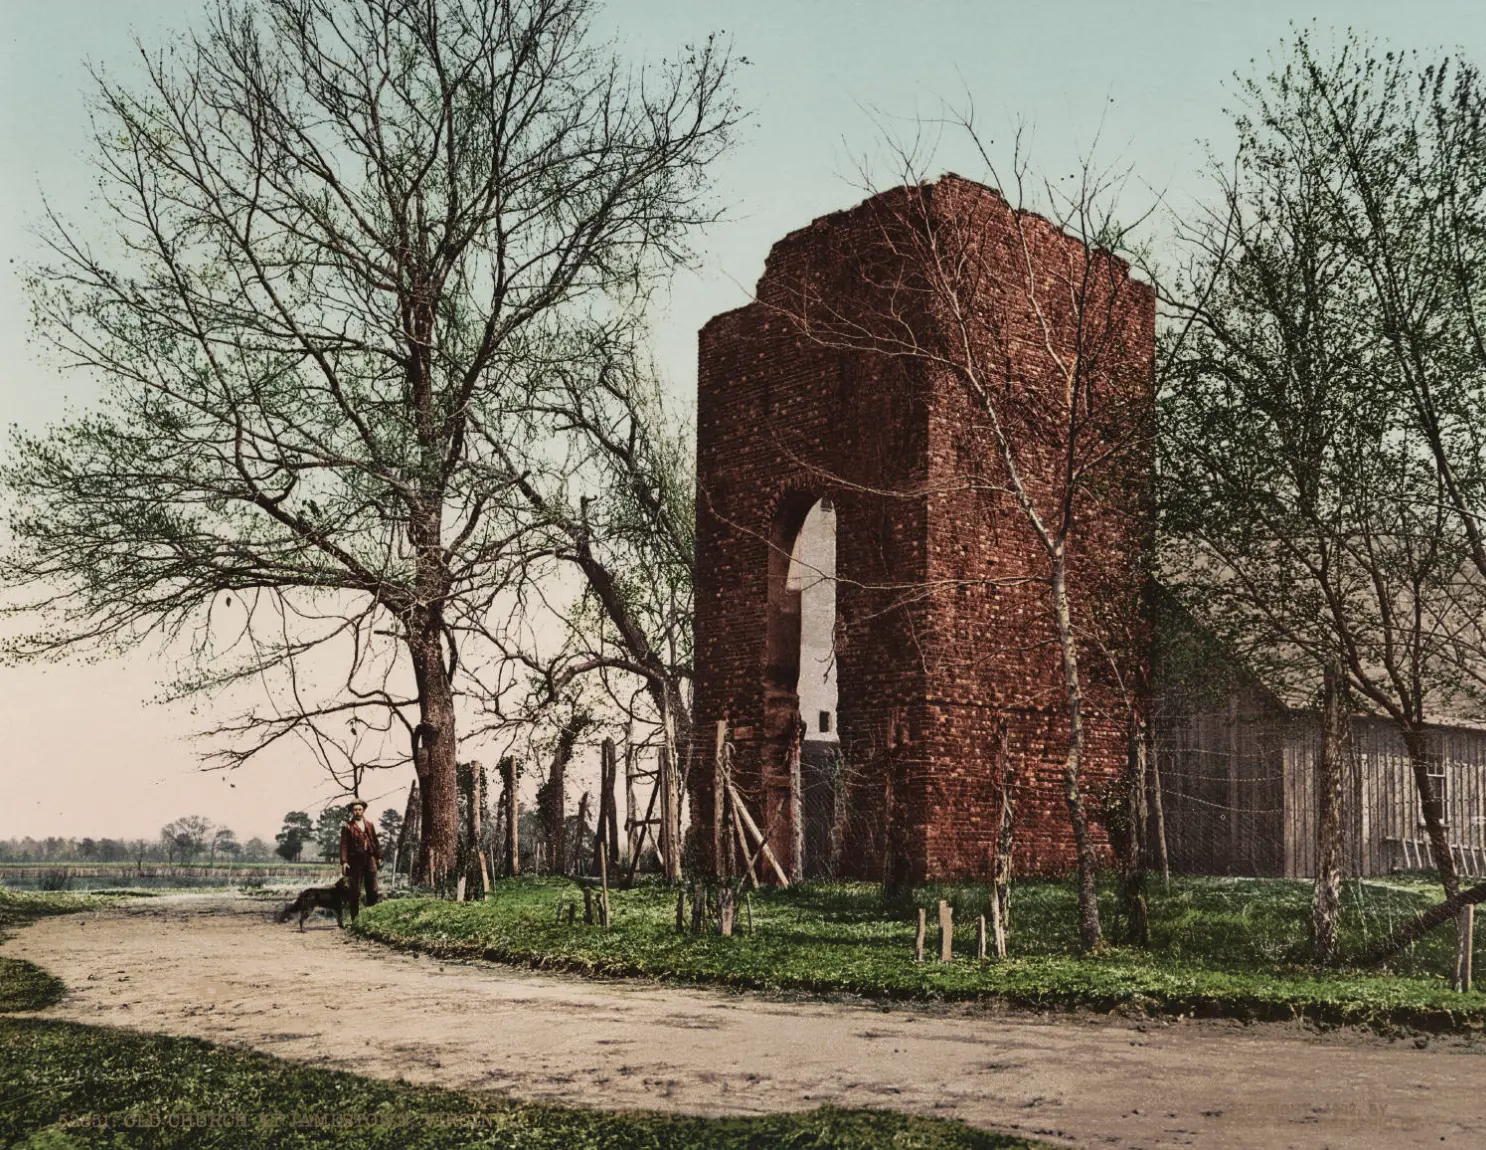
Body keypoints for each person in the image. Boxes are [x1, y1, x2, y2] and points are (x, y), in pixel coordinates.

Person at [339, 799, 382, 919]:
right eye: (355, 810)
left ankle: (372, 916)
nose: (357, 812)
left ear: (363, 810)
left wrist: (379, 856)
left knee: (373, 889)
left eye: (360, 809)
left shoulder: (369, 825)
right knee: (355, 891)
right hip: (355, 861)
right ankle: (355, 919)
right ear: (352, 811)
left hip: (369, 859)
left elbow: (375, 841)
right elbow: (344, 845)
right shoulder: (347, 827)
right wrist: (344, 861)